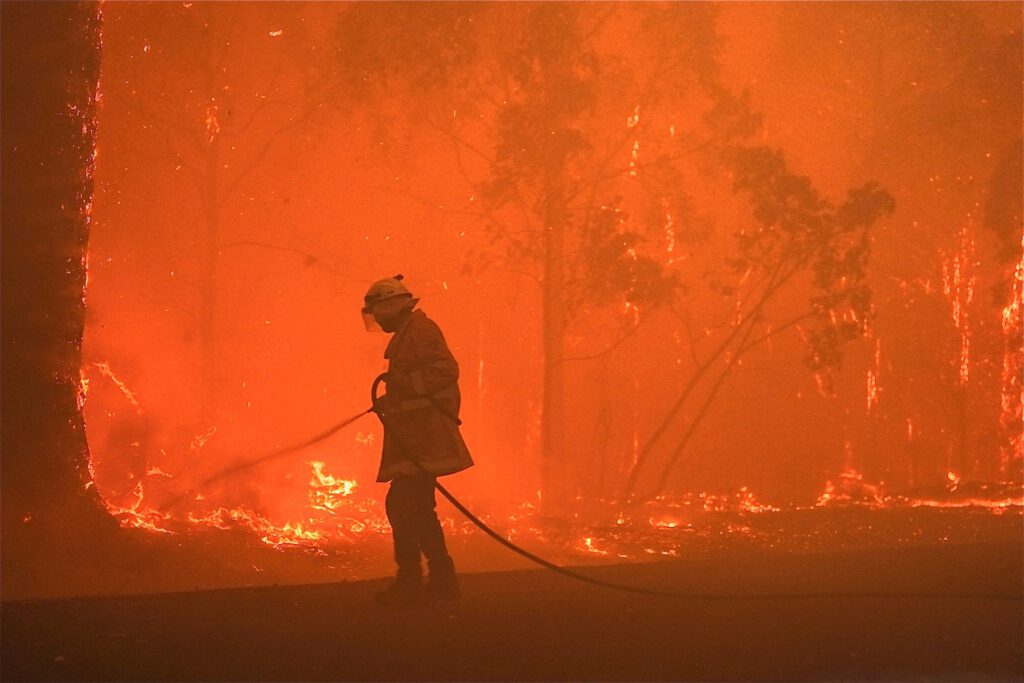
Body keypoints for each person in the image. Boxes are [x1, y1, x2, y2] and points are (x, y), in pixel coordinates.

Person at [362, 274, 473, 605]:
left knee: (406, 506)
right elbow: (413, 385)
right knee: (412, 507)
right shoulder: (408, 334)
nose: (378, 321)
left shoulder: (421, 331)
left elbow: (444, 371)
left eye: (379, 313)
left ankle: (420, 580)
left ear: (392, 307)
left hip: (425, 436)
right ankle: (434, 580)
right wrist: (392, 400)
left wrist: (403, 387)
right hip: (414, 436)